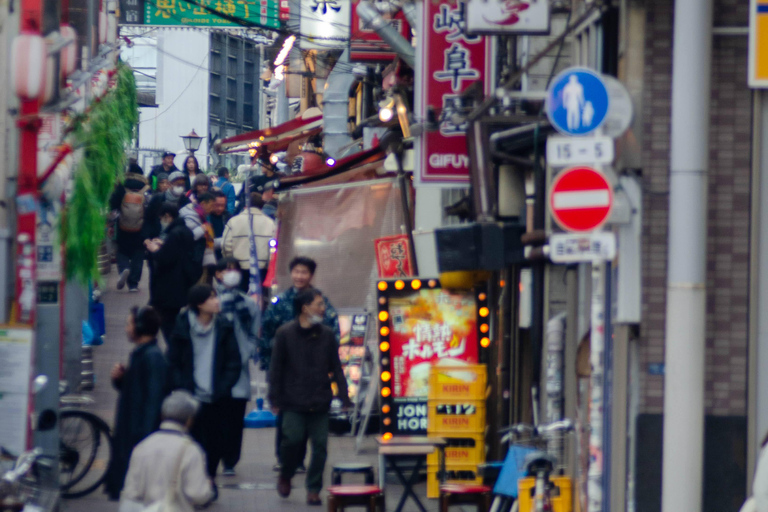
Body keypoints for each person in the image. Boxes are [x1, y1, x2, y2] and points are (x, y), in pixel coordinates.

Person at [269, 288, 351, 506]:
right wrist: (274, 397)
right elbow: (276, 368)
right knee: (292, 441)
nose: (323, 309)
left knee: (321, 446)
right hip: (292, 400)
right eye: (319, 304)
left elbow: (336, 367)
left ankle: (313, 488)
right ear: (305, 308)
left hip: (319, 399)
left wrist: (344, 397)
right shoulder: (285, 333)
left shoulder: (326, 335)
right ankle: (286, 474)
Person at [261, 256, 340, 472]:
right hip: (286, 370)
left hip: (313, 372)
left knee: (309, 419)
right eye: (296, 271)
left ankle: (300, 461)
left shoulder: (320, 301)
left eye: (304, 272)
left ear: (311, 275)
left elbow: (333, 330)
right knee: (286, 418)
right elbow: (267, 331)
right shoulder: (280, 301)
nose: (299, 276)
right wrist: (271, 362)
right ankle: (285, 459)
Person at [167, 285, 241, 488]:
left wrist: (224, 387)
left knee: (216, 443)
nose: (217, 301)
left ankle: (209, 478)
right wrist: (181, 385)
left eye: (216, 297)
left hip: (217, 396)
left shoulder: (224, 326)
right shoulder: (182, 326)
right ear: (199, 304)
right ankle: (194, 481)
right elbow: (173, 361)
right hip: (191, 397)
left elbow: (233, 362)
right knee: (192, 441)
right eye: (211, 298)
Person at [105, 306, 168, 500]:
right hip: (132, 433)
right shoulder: (143, 354)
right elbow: (135, 391)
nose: (126, 328)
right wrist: (121, 379)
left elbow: (153, 401)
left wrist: (144, 440)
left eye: (129, 324)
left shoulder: (152, 358)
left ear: (140, 327)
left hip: (137, 435)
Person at [120, 391, 214, 511]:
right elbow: (198, 494)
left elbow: (131, 491)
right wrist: (208, 487)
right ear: (189, 420)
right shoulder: (191, 450)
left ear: (162, 416)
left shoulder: (142, 446)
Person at [213, 258, 260, 476]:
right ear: (217, 274)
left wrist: (246, 352)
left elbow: (254, 333)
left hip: (238, 367)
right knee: (215, 416)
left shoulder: (249, 304)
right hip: (213, 369)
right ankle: (215, 456)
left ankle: (230, 460)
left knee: (234, 417)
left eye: (234, 269)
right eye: (225, 270)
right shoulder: (209, 301)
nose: (230, 273)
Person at [146, 204, 196, 342]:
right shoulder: (185, 230)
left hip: (170, 286)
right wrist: (163, 245)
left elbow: (165, 258)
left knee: (168, 322)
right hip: (181, 283)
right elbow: (178, 253)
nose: (161, 221)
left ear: (167, 216)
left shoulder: (174, 233)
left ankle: (174, 352)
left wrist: (155, 250)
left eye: (162, 218)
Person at [222, 192, 276, 292]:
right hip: (261, 268)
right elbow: (273, 248)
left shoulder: (233, 221)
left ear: (246, 205)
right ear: (262, 205)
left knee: (239, 296)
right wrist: (268, 265)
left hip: (239, 266)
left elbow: (225, 244)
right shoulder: (270, 223)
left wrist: (230, 262)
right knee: (259, 298)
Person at [109, 171, 150, 292]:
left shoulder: (121, 187)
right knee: (138, 254)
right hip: (140, 228)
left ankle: (124, 269)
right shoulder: (145, 188)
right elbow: (150, 208)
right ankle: (133, 284)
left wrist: (111, 224)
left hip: (122, 227)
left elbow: (113, 206)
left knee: (121, 251)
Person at [180, 192, 216, 284]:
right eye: (211, 206)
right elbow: (188, 236)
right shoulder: (190, 215)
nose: (212, 209)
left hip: (196, 256)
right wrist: (202, 229)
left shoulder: (200, 215)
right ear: (203, 204)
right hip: (189, 258)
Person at [143, 171, 187, 242]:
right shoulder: (157, 198)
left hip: (175, 241)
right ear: (170, 184)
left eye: (182, 184)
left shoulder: (185, 201)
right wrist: (146, 238)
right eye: (177, 184)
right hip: (156, 239)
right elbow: (148, 219)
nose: (180, 187)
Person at [208, 190, 231, 261]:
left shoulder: (228, 217)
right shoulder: (206, 217)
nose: (220, 208)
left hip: (224, 256)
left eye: (223, 205)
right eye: (217, 205)